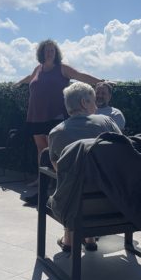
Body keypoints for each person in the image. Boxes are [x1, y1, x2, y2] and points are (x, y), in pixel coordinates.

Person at [48, 81, 121, 252]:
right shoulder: (107, 123)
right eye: (94, 101)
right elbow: (122, 156)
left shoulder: (57, 133)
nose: (96, 106)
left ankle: (69, 240)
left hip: (77, 207)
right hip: (115, 201)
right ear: (84, 103)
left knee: (69, 184)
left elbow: (60, 170)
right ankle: (89, 239)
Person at [15, 39, 104, 163]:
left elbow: (79, 76)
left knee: (54, 149)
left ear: (56, 53)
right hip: (36, 115)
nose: (50, 53)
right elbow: (30, 78)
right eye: (47, 51)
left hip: (55, 115)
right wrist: (18, 83)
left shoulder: (62, 68)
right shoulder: (37, 69)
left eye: (52, 50)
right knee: (40, 148)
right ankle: (41, 180)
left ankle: (55, 180)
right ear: (42, 53)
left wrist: (101, 82)